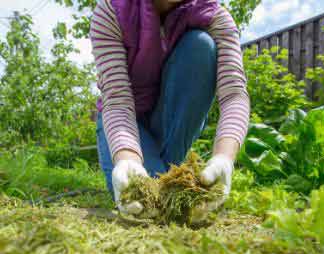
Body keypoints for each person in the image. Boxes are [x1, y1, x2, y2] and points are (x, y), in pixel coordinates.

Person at [90, 0, 250, 216]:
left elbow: (234, 94)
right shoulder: (112, 11)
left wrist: (224, 158)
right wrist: (126, 159)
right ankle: (154, 172)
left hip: (169, 123)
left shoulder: (214, 16)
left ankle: (162, 171)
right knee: (145, 198)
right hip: (122, 124)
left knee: (201, 45)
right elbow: (117, 100)